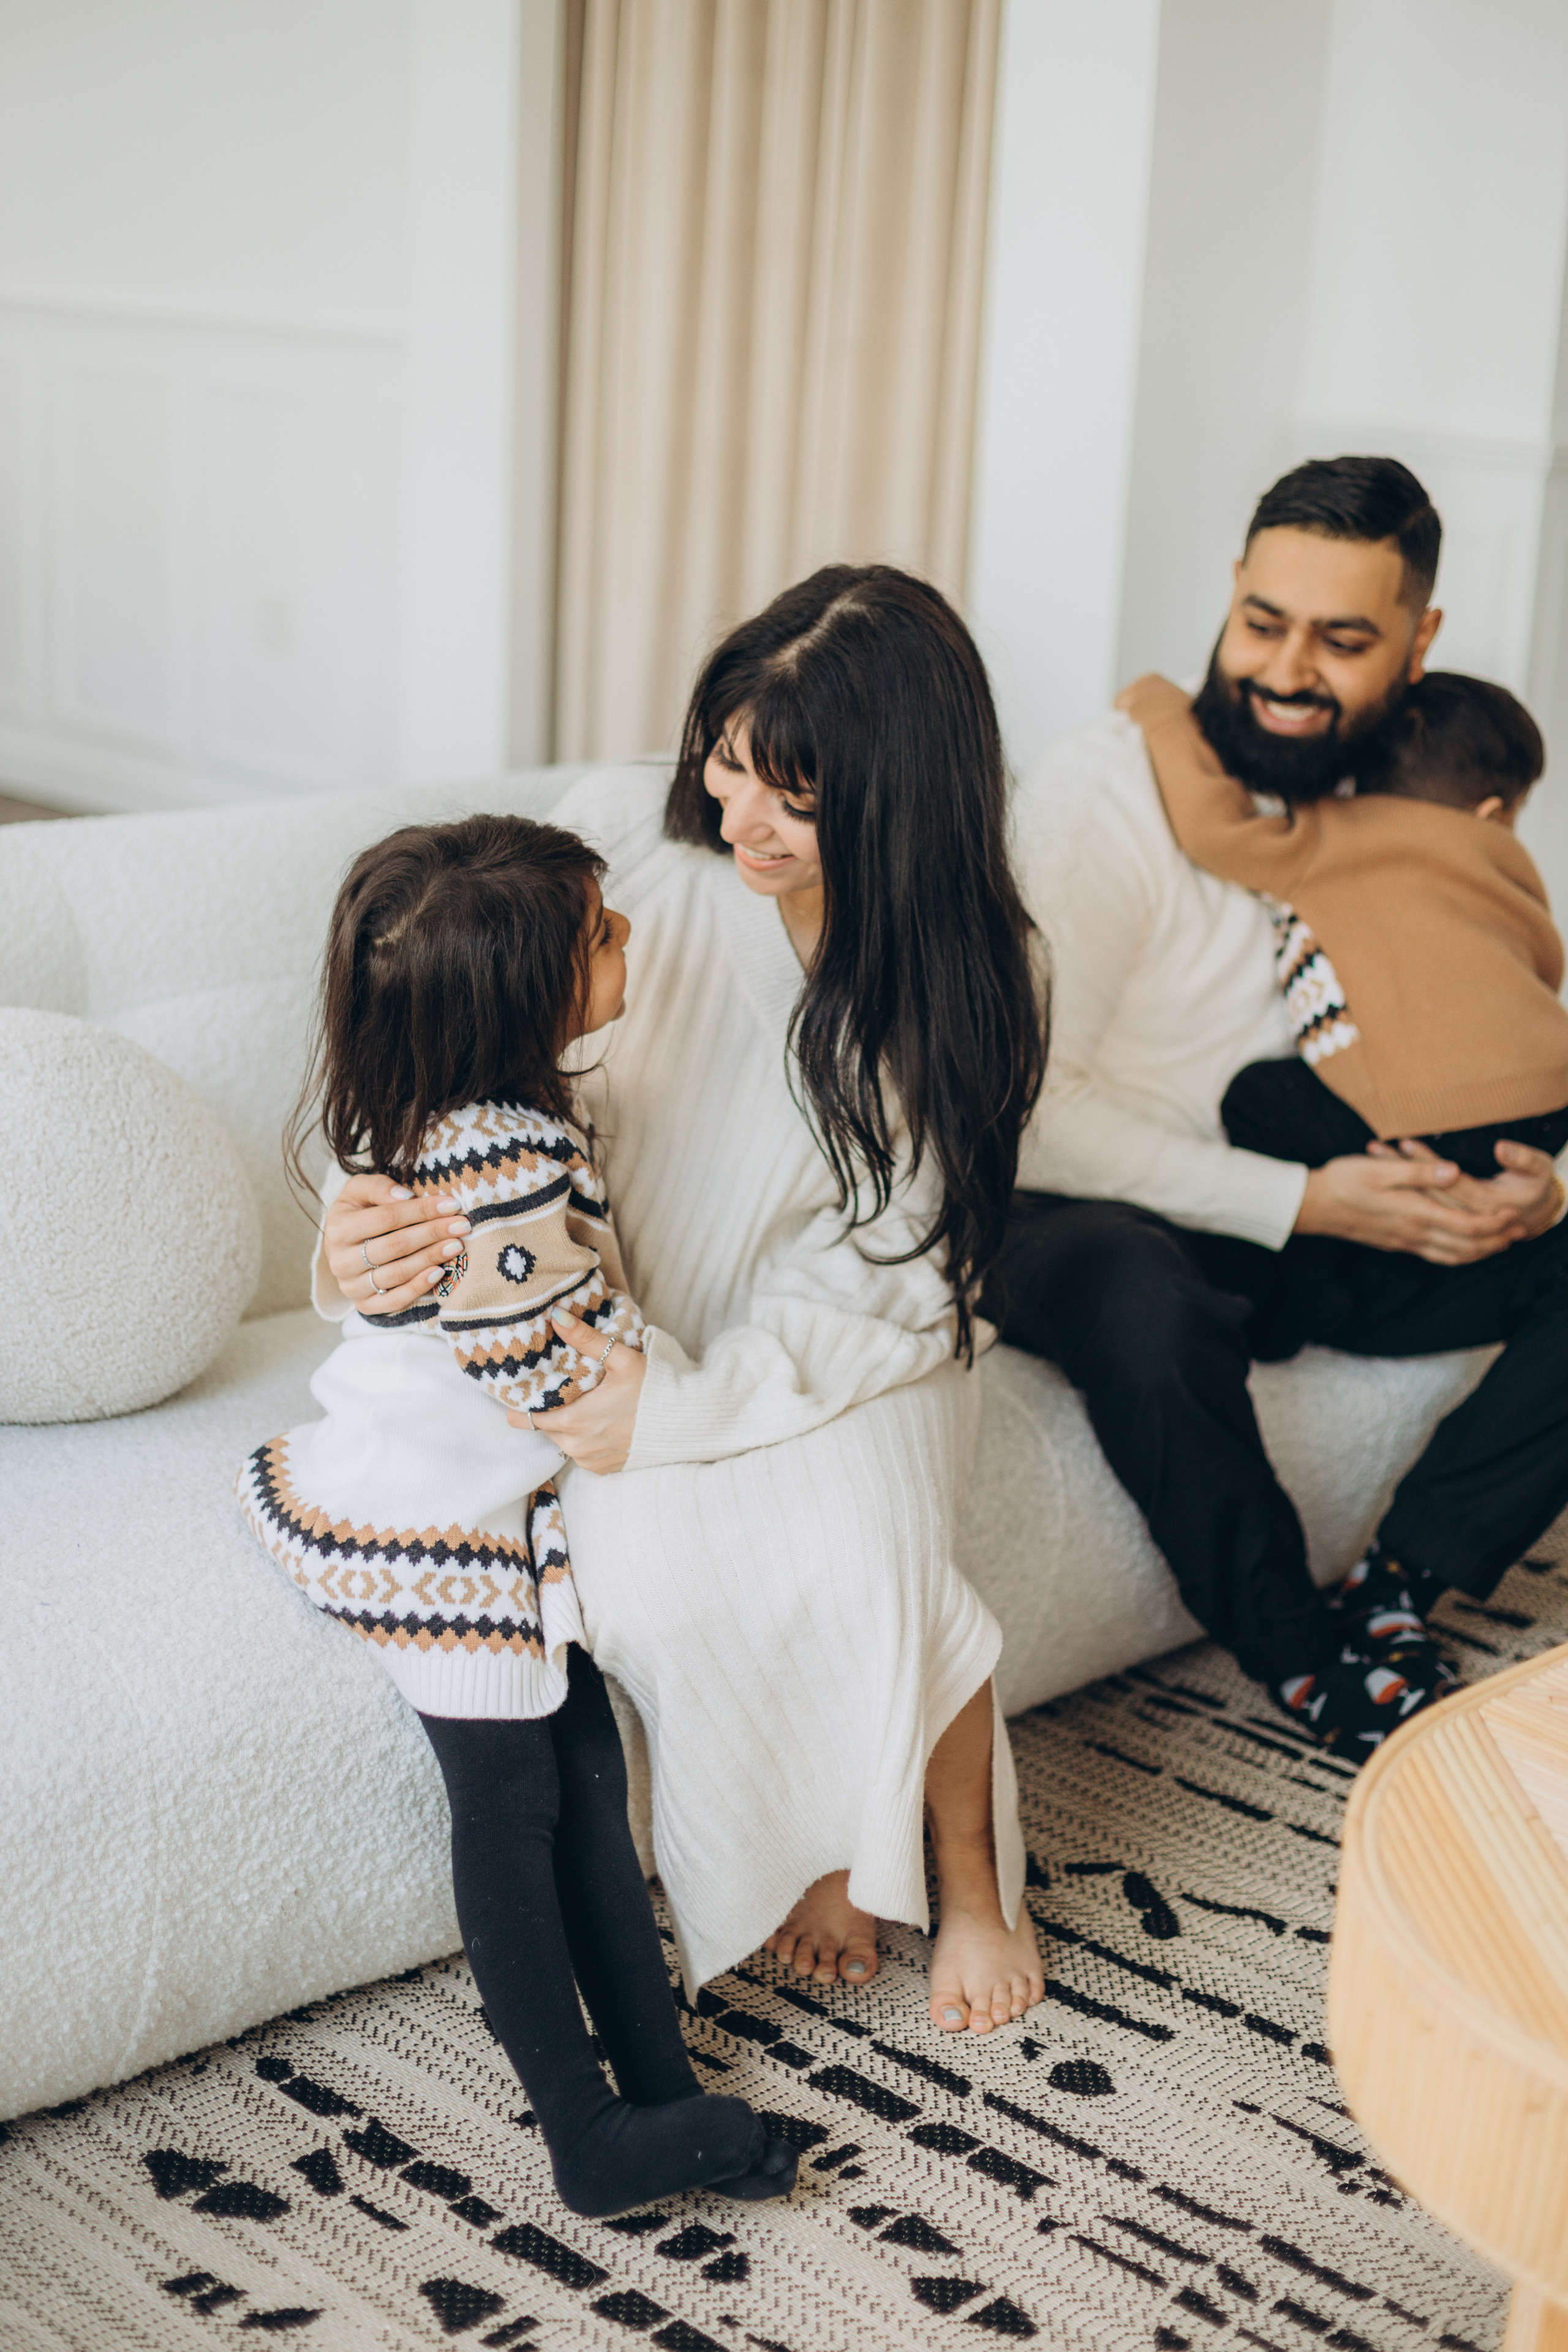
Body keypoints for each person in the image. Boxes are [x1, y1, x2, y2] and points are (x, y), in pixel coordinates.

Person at [314, 567, 1050, 2034]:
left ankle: (968, 1880)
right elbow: (440, 1076)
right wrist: (357, 1237)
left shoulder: (968, 974)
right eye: (724, 763)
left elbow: (900, 1265)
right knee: (643, 1581)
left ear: (899, 799)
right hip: (619, 1336)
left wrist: (700, 1403)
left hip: (861, 1346)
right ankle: (809, 1850)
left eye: (790, 796)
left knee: (863, 1556)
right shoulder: (622, 873)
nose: (737, 820)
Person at [237, 812, 796, 2218]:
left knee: (595, 1788)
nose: (629, 944)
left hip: (483, 1509)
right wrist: (663, 1381)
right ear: (527, 992)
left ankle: (662, 2089)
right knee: (514, 1806)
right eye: (602, 937)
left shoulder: (492, 1121)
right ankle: (584, 2128)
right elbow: (538, 1360)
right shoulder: (501, 1165)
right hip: (428, 1524)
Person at [988, 456, 1568, 1757]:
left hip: (1309, 1209)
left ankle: (1400, 1585)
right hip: (1082, 1206)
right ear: (1229, 597)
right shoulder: (1107, 791)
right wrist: (1309, 1197)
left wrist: (1534, 1182)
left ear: (1416, 647)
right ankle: (1296, 1654)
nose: (1286, 671)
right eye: (1260, 622)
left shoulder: (1383, 794)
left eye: (1341, 639)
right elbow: (1024, 1113)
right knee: (1138, 1295)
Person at [1118, 666, 1568, 1180]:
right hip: (1548, 1101)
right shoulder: (1505, 862)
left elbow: (1212, 828)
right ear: (1491, 815)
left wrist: (1158, 704)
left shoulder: (1327, 836)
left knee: (1252, 1099)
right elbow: (1542, 968)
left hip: (1423, 1120)